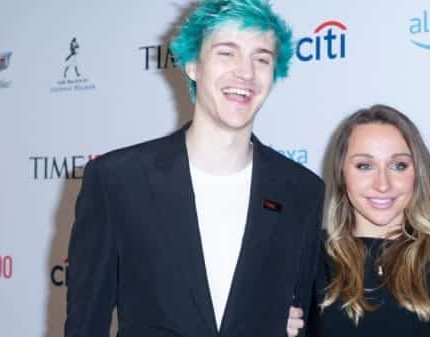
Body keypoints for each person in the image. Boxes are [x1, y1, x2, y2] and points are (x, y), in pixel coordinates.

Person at [64, 1, 324, 337]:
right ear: (192, 65)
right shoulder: (118, 180)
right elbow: (86, 324)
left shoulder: (302, 191)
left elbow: (298, 317)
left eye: (262, 59)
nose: (245, 72)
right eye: (226, 53)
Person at [287, 105, 430, 337]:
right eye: (364, 166)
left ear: (418, 173)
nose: (383, 184)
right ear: (341, 173)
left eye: (398, 166)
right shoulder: (305, 257)